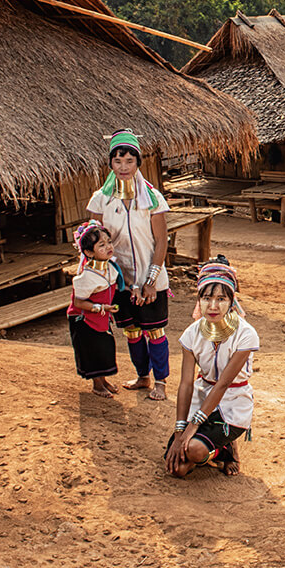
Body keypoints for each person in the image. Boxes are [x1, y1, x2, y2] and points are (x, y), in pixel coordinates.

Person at [86, 129, 172, 401]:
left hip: (151, 278)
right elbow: (93, 242)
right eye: (118, 161)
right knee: (132, 332)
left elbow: (161, 242)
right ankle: (143, 376)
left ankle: (161, 382)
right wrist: (115, 281)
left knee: (155, 331)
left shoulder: (153, 198)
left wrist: (150, 282)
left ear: (138, 163)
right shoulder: (101, 200)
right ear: (110, 163)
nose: (123, 167)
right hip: (118, 279)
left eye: (129, 161)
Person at [165, 258, 260, 478]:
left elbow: (223, 384)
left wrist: (192, 428)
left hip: (233, 403)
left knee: (194, 450)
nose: (213, 306)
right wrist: (180, 430)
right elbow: (186, 384)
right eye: (206, 298)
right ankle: (215, 447)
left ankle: (226, 449)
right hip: (201, 397)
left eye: (221, 299)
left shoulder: (245, 334)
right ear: (199, 300)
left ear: (232, 301)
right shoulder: (191, 334)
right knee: (177, 469)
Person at [67, 220, 123, 397]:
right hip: (84, 319)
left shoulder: (110, 268)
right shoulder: (86, 277)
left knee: (103, 347)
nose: (108, 247)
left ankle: (103, 381)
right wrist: (100, 307)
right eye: (101, 245)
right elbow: (78, 303)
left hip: (101, 316)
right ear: (89, 252)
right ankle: (97, 385)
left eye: (109, 242)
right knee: (92, 350)